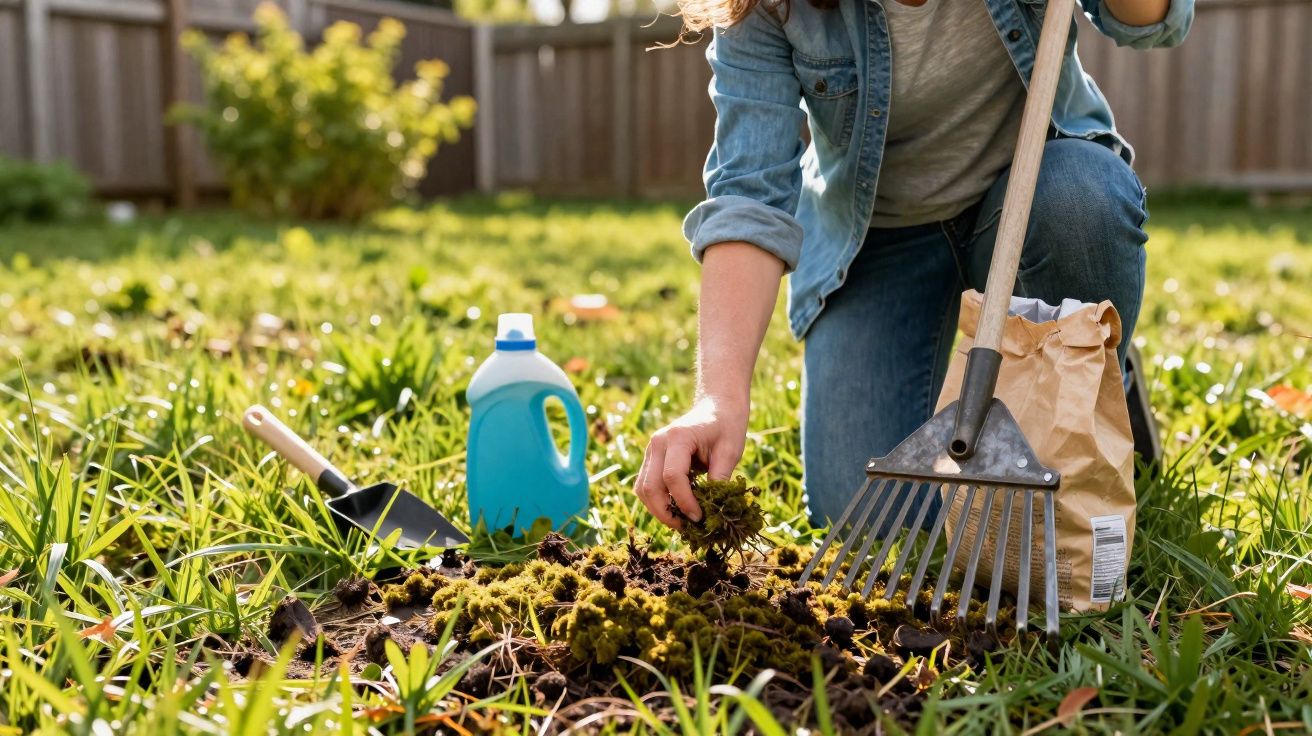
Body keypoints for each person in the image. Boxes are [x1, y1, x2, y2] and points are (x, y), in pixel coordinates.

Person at [633, 0, 1193, 529]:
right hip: (879, 238)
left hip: (1029, 200)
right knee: (868, 514)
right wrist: (718, 399)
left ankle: (1094, 370)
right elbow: (749, 196)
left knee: (1081, 202)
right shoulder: (766, 6)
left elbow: (1153, 21)